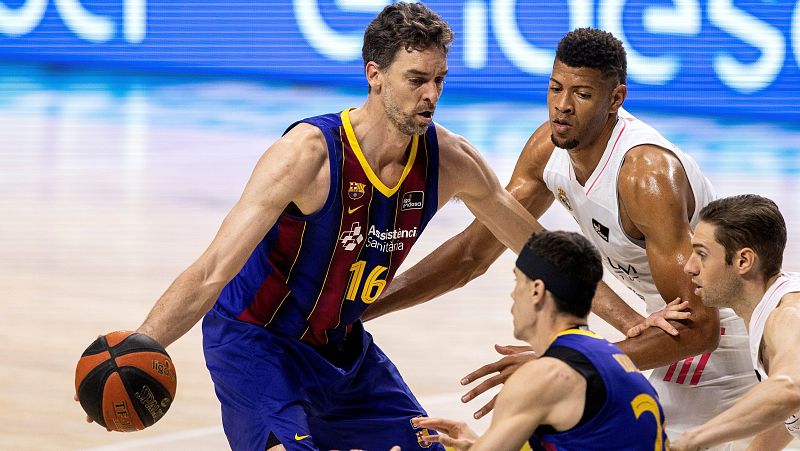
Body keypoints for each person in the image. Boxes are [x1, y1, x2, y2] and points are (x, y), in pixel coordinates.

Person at [102, 3, 543, 450]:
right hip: (257, 341)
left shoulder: (450, 159)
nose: (431, 94)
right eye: (416, 80)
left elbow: (545, 256)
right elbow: (211, 270)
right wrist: (138, 348)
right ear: (375, 75)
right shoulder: (307, 155)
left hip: (340, 347)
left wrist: (581, 341)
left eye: (439, 80)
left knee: (429, 446)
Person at [364, 27, 757, 446]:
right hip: (662, 326)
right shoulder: (548, 150)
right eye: (555, 88)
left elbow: (700, 329)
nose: (563, 106)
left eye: (582, 94)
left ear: (615, 99)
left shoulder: (646, 176)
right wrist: (357, 311)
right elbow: (472, 253)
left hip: (720, 336)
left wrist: (565, 364)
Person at [413, 230, 668, 451]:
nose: (513, 295)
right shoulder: (611, 357)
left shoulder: (544, 375)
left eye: (517, 281)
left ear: (536, 290)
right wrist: (479, 444)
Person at [656, 195, 800, 451]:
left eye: (701, 254)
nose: (689, 267)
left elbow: (790, 389)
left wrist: (692, 440)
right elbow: (788, 409)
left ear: (743, 261)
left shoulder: (788, 315)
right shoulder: (769, 308)